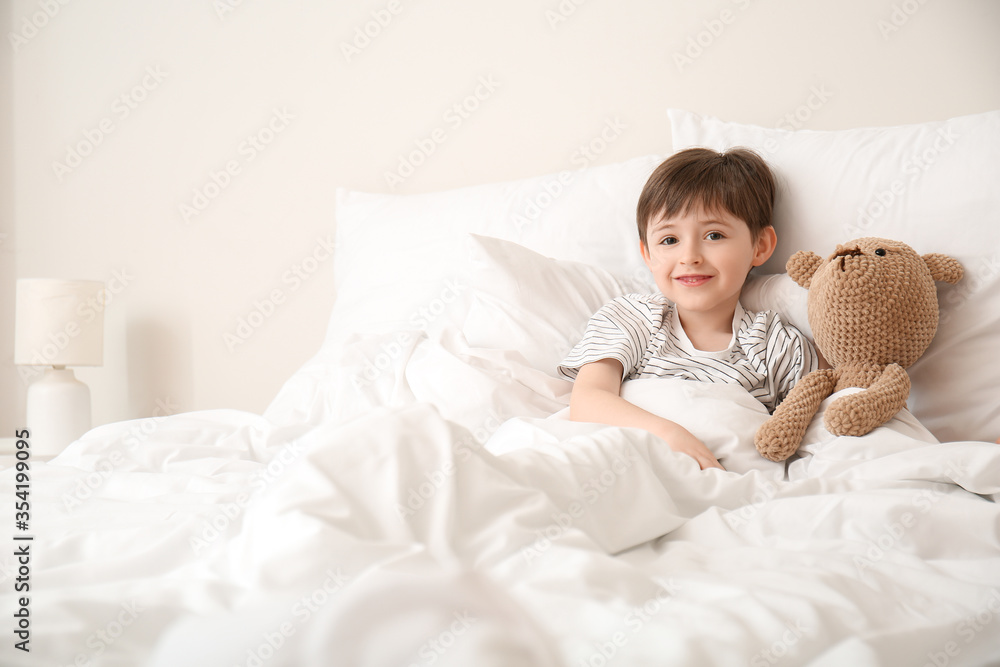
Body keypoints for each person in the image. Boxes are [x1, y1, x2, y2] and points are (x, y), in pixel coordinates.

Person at [558, 147, 820, 471]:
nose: (690, 256)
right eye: (669, 240)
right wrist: (668, 434)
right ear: (648, 254)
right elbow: (587, 402)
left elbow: (815, 435)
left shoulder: (776, 345)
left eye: (714, 235)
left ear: (760, 246)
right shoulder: (633, 318)